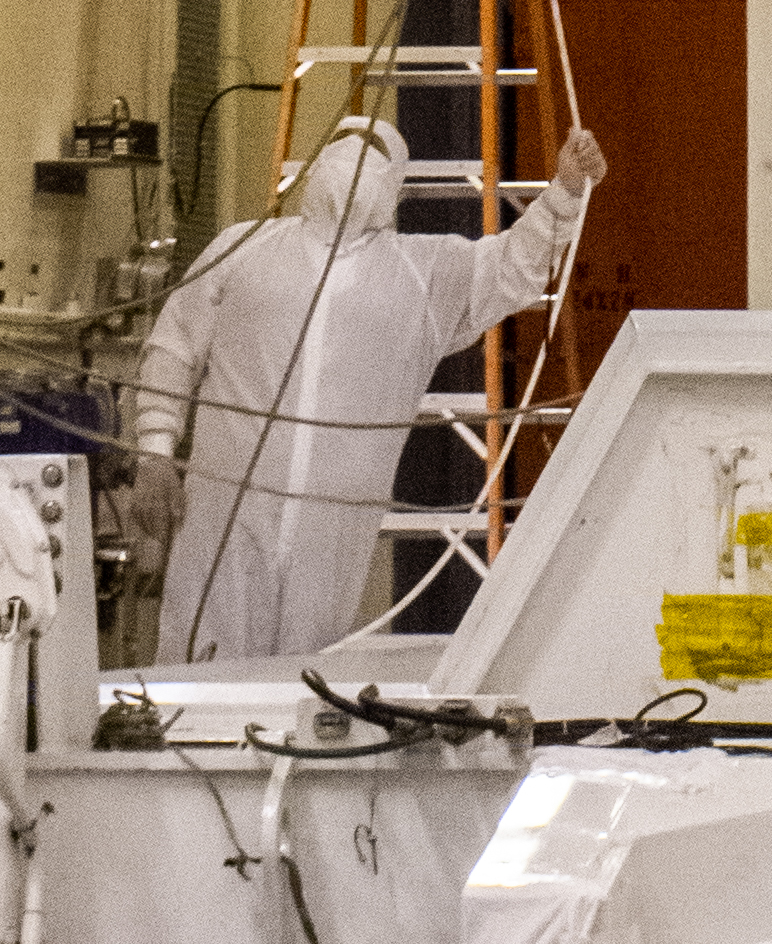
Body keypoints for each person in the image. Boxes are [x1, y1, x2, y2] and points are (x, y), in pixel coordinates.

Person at [130, 111, 603, 667]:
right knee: (198, 672)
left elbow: (511, 267)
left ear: (396, 188)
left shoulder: (423, 273)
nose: (358, 153)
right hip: (223, 516)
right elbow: (174, 346)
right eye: (346, 138)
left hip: (331, 533)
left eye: (376, 145)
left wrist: (565, 194)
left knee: (302, 682)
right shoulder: (244, 247)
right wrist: (154, 453)